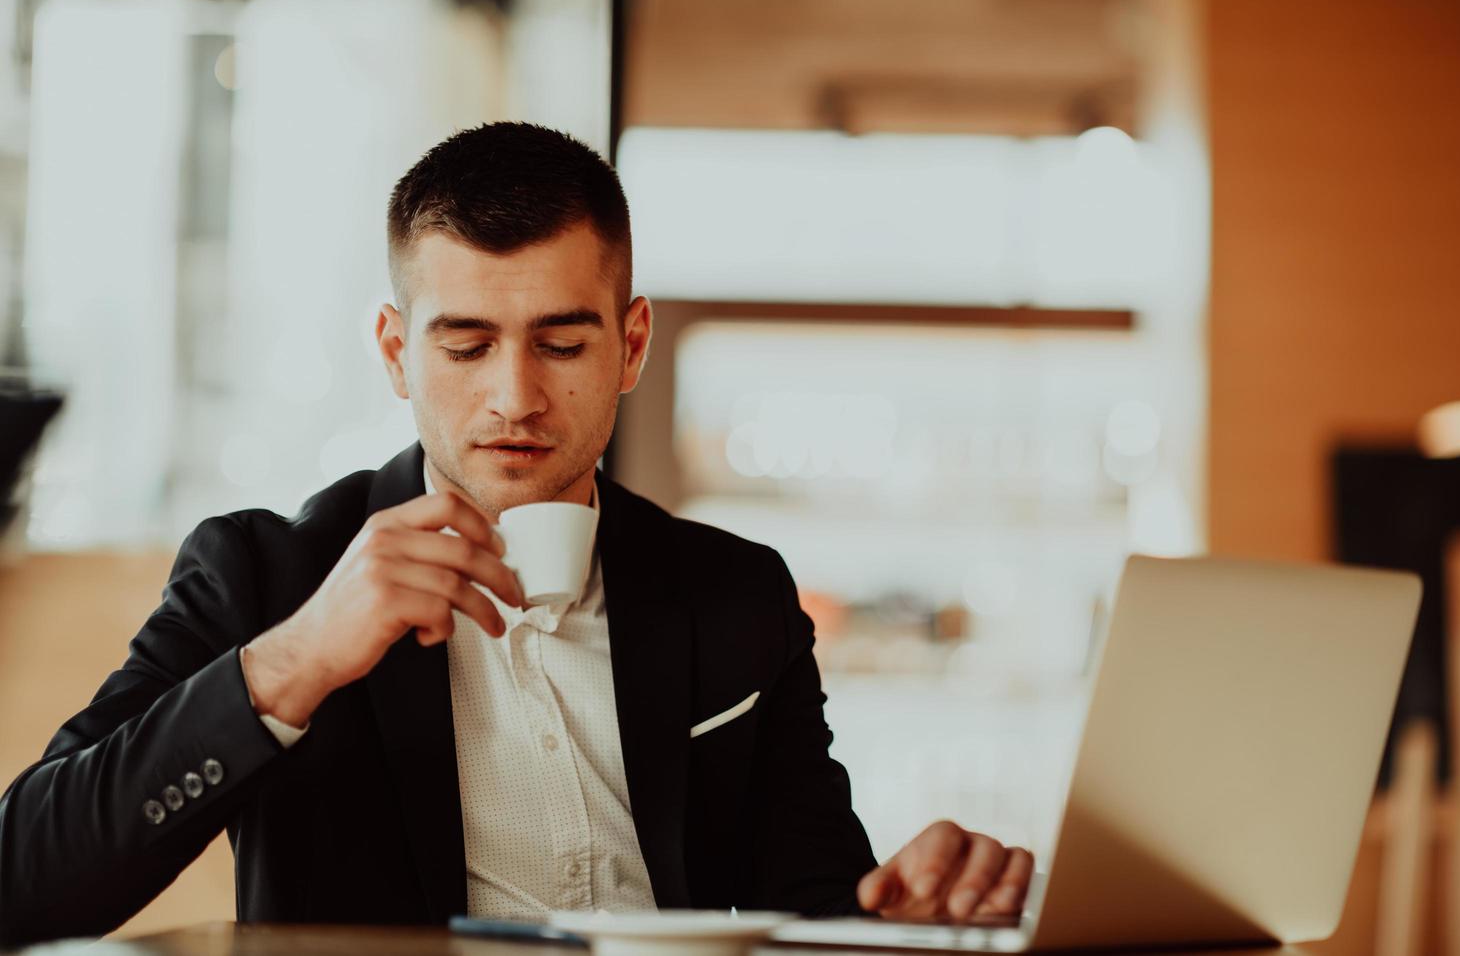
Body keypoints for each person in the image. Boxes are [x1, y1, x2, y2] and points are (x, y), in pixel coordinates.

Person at [0, 122, 1032, 948]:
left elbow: (813, 905)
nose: (515, 395)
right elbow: (22, 886)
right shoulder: (267, 574)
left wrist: (900, 913)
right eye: (466, 343)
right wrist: (294, 661)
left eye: (561, 339)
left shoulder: (735, 592)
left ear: (630, 343)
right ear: (398, 351)